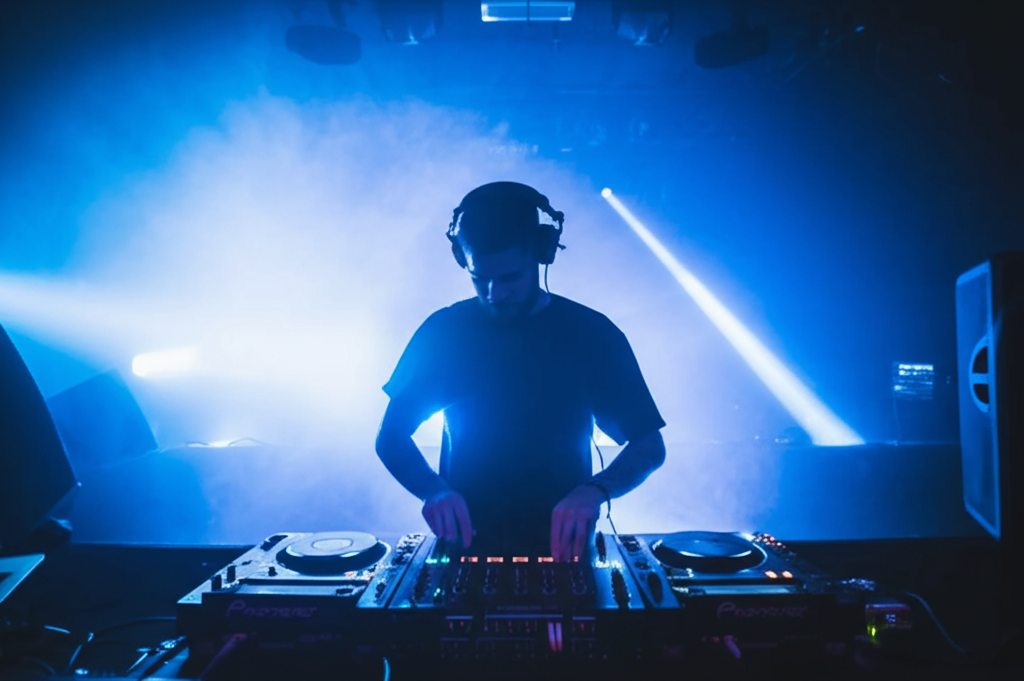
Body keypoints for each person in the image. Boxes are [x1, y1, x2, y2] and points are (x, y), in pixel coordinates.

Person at [375, 182, 666, 561]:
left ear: (541, 255)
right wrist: (433, 490)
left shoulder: (591, 334)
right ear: (463, 260)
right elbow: (391, 436)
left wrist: (594, 492)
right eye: (479, 277)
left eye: (510, 278)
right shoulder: (444, 333)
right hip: (467, 546)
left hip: (563, 552)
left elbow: (648, 446)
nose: (494, 293)